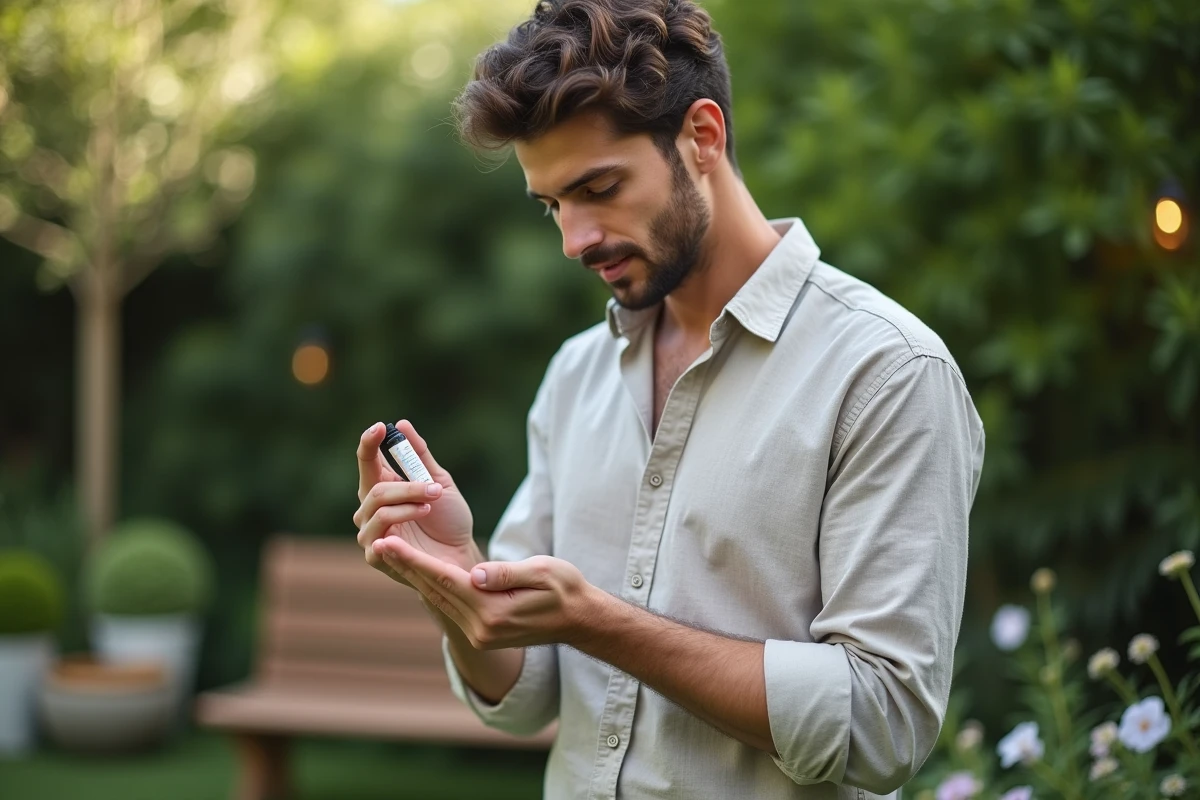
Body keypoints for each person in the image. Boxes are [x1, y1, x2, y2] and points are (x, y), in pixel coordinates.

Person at [353, 1, 985, 797]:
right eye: (553, 205)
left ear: (703, 137)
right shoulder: (575, 375)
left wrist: (598, 622)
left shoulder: (887, 373)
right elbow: (525, 696)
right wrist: (456, 577)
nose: (574, 240)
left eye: (598, 188)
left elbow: (882, 724)